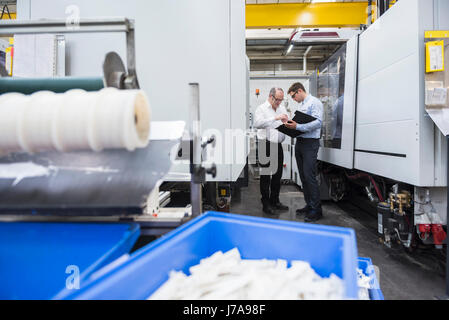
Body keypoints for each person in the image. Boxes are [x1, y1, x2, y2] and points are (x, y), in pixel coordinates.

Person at [285, 82, 323, 222]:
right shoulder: (302, 105)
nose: (294, 99)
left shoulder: (315, 102)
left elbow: (318, 122)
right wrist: (290, 126)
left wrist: (298, 126)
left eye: (294, 96)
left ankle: (316, 210)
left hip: (310, 144)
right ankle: (309, 204)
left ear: (299, 91)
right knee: (303, 176)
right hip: (300, 143)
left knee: (309, 175)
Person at [253, 88, 290, 215]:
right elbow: (257, 123)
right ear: (271, 96)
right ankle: (266, 204)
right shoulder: (261, 108)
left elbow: (285, 121)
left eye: (281, 99)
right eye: (278, 99)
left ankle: (275, 201)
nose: (280, 102)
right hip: (265, 145)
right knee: (265, 176)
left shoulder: (281, 108)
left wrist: (288, 123)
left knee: (277, 175)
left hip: (278, 145)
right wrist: (275, 118)